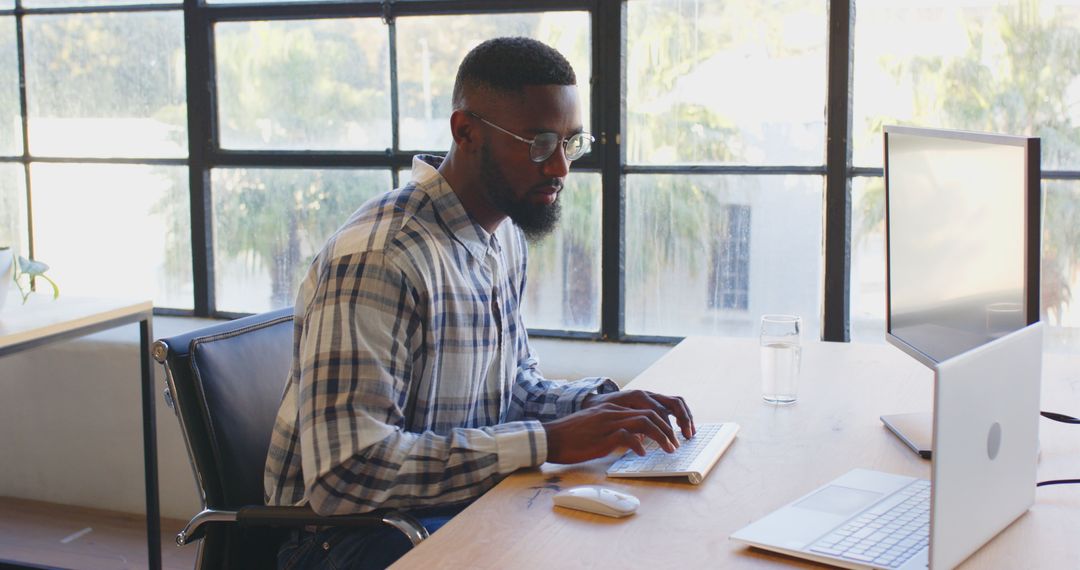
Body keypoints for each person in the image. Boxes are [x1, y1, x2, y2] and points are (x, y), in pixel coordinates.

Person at [264, 36, 695, 569]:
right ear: (465, 131)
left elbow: (510, 387)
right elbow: (349, 475)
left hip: (450, 509)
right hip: (350, 541)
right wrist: (547, 441)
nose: (560, 168)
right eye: (538, 143)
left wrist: (599, 409)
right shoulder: (383, 259)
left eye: (570, 143)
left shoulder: (501, 234)